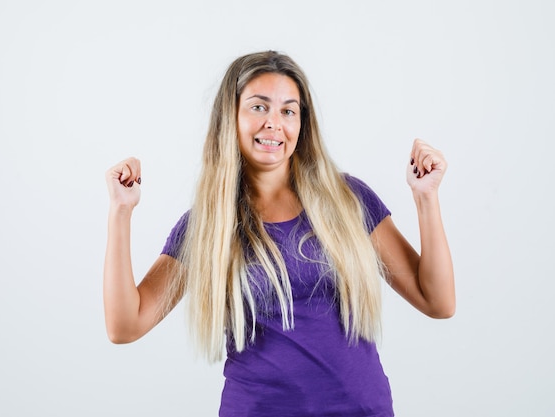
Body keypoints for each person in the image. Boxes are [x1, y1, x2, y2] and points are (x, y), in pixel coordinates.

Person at [103, 51, 455, 416]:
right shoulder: (208, 225)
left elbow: (438, 301)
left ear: (302, 123)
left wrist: (426, 198)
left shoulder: (347, 200)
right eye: (259, 107)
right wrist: (121, 211)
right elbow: (125, 326)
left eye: (288, 111)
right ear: (231, 117)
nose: (274, 123)